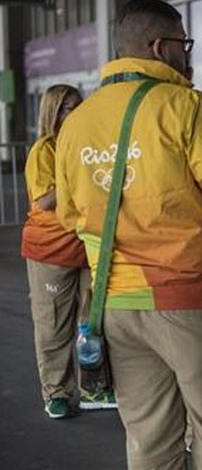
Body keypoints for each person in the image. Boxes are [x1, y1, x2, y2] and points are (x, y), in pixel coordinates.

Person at [55, 0, 202, 469]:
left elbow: (69, 214)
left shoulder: (79, 121)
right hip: (195, 300)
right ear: (161, 47)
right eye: (184, 44)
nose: (188, 55)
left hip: (119, 306)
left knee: (149, 440)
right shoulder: (186, 106)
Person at [21, 84, 118, 419]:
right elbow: (44, 200)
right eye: (66, 107)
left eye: (78, 105)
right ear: (52, 112)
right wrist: (82, 176)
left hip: (87, 244)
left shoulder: (84, 145)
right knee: (53, 326)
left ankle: (92, 387)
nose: (74, 112)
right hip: (50, 250)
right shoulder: (43, 150)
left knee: (90, 324)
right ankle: (56, 393)